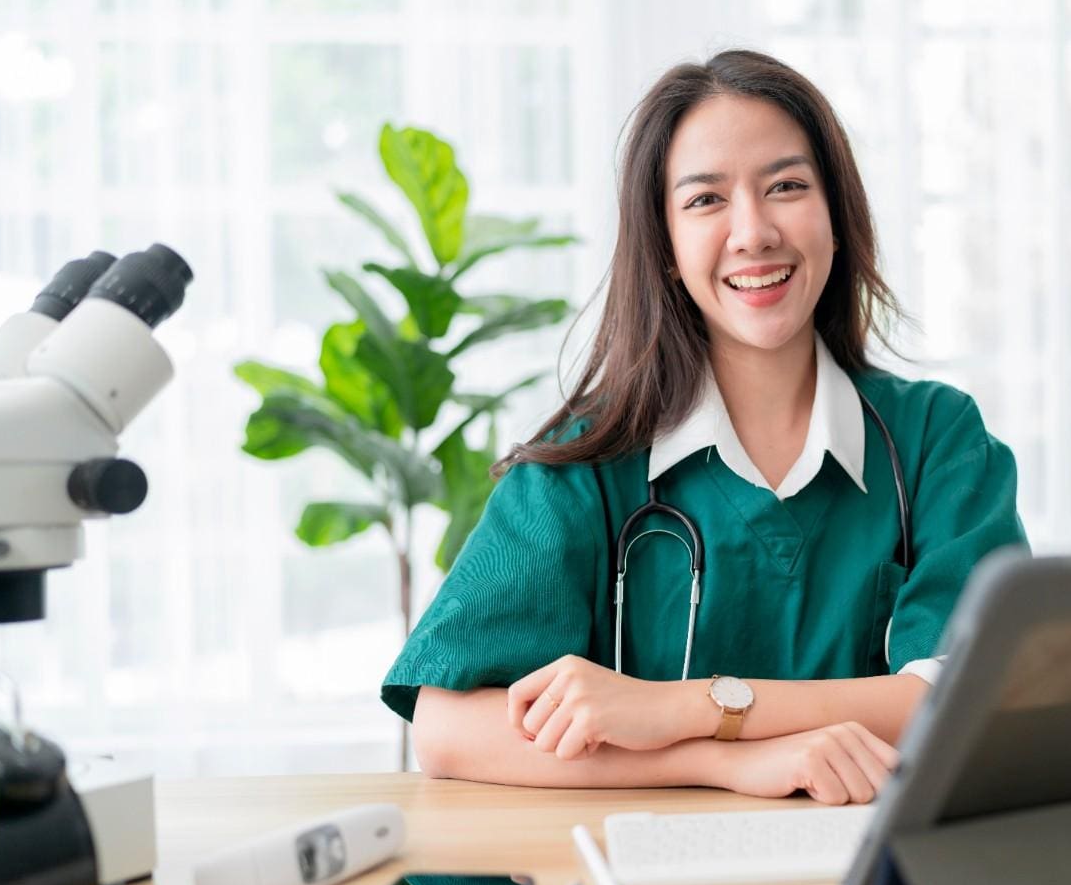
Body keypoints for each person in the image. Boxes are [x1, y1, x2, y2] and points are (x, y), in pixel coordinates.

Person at [382, 49, 1026, 805]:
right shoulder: (586, 463)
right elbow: (448, 727)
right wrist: (724, 761)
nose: (753, 233)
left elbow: (973, 699)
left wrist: (680, 708)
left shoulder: (938, 441)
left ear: (837, 217)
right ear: (664, 251)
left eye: (786, 186)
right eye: (705, 200)